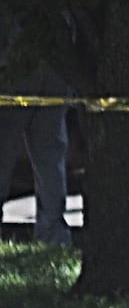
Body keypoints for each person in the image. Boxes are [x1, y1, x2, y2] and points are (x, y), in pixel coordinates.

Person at [0, 43, 72, 247]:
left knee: (5, 151)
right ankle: (53, 235)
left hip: (13, 61)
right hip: (55, 62)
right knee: (50, 155)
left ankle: (53, 234)